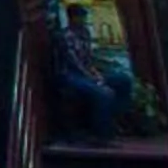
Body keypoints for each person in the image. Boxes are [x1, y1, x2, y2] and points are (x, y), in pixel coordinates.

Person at [53, 9, 134, 143]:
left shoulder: (85, 33)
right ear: (72, 18)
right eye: (80, 17)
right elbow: (75, 62)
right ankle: (102, 134)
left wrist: (96, 74)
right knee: (103, 94)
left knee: (123, 80)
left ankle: (116, 120)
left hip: (87, 73)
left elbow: (88, 59)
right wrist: (94, 79)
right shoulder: (65, 36)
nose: (83, 21)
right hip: (70, 75)